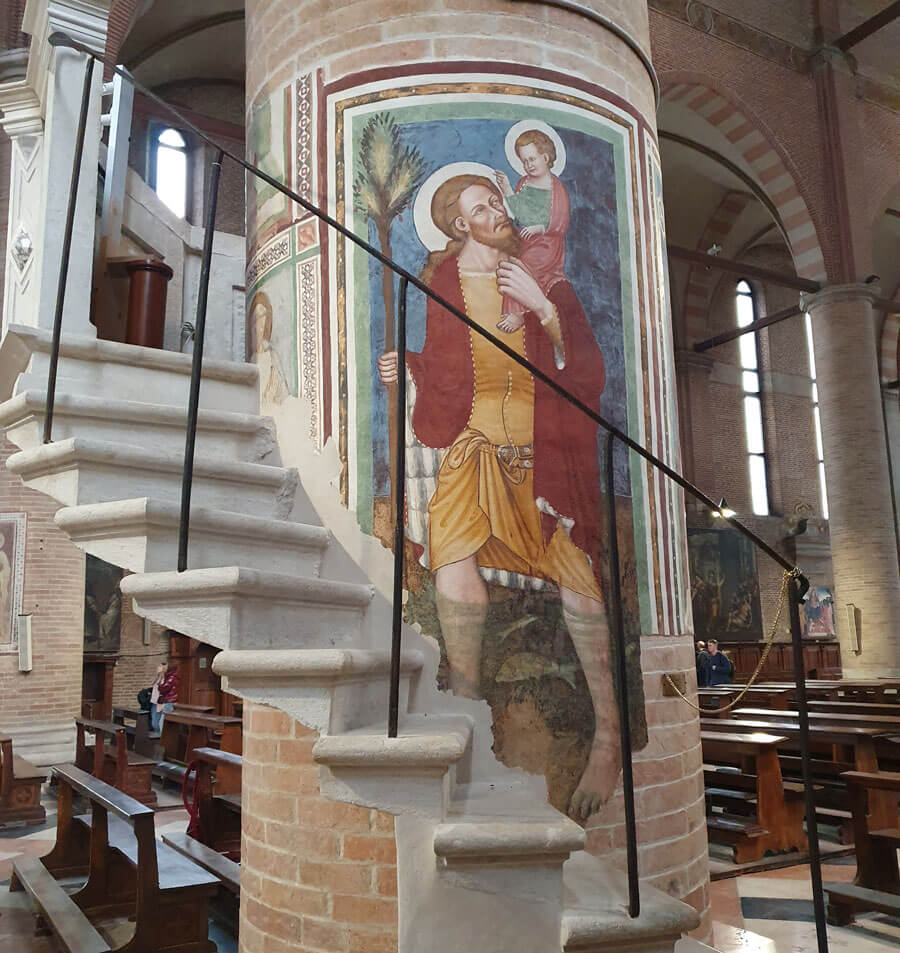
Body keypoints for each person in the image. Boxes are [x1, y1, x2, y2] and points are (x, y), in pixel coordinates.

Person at [378, 172, 616, 819]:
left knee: (578, 578)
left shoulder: (547, 281)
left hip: (544, 459)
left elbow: (588, 373)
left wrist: (542, 309)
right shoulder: (444, 285)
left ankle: (610, 736)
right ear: (459, 226)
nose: (499, 211)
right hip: (478, 447)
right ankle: (471, 709)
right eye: (483, 207)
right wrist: (415, 365)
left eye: (498, 202)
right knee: (452, 555)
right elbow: (449, 371)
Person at [493, 129, 570, 330]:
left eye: (532, 159)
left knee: (522, 266)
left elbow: (561, 220)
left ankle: (517, 314)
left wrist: (540, 227)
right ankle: (516, 310)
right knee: (510, 263)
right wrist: (507, 189)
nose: (528, 165)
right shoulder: (524, 182)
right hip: (526, 239)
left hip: (547, 243)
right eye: (524, 161)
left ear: (546, 157)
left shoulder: (555, 187)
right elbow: (522, 215)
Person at [151, 660, 179, 733]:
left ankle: (161, 740)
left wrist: (160, 677)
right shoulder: (166, 676)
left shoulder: (170, 677)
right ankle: (158, 739)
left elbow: (163, 689)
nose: (158, 668)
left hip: (166, 702)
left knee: (161, 724)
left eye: (160, 666)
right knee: (155, 723)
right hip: (157, 702)